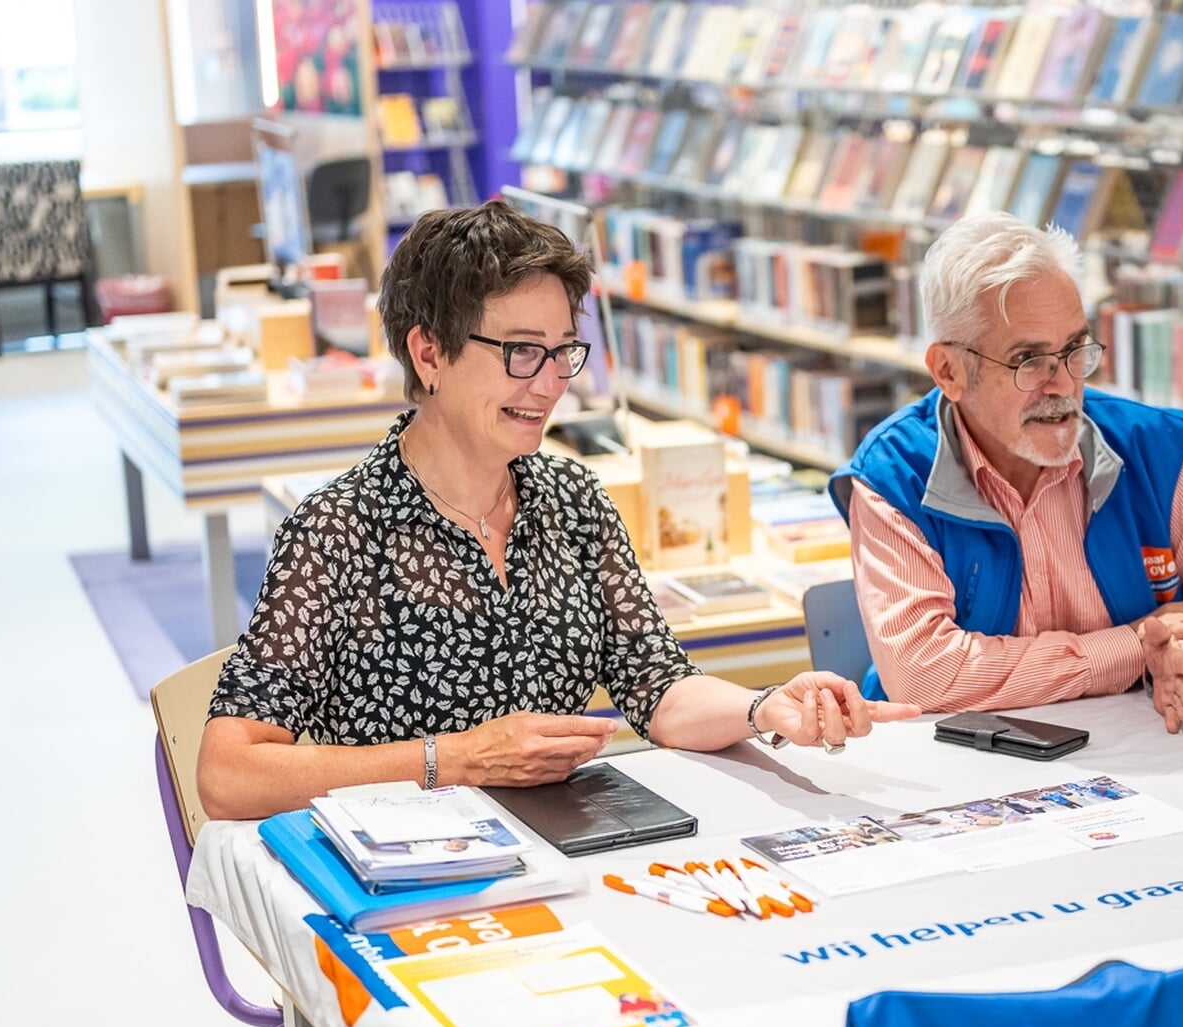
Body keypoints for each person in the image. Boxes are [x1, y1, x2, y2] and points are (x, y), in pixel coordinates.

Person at [197, 201, 916, 821]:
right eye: (518, 353)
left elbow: (658, 687)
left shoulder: (571, 501)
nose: (548, 385)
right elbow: (229, 775)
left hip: (571, 851)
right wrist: (456, 759)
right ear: (429, 354)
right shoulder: (337, 530)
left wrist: (763, 709)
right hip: (412, 876)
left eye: (562, 352)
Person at [829, 213, 1183, 731]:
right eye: (1029, 360)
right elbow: (927, 675)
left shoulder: (1152, 449)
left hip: (1140, 749)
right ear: (949, 372)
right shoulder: (895, 476)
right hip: (952, 766)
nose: (1063, 385)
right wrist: (1132, 645)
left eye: (1074, 351)